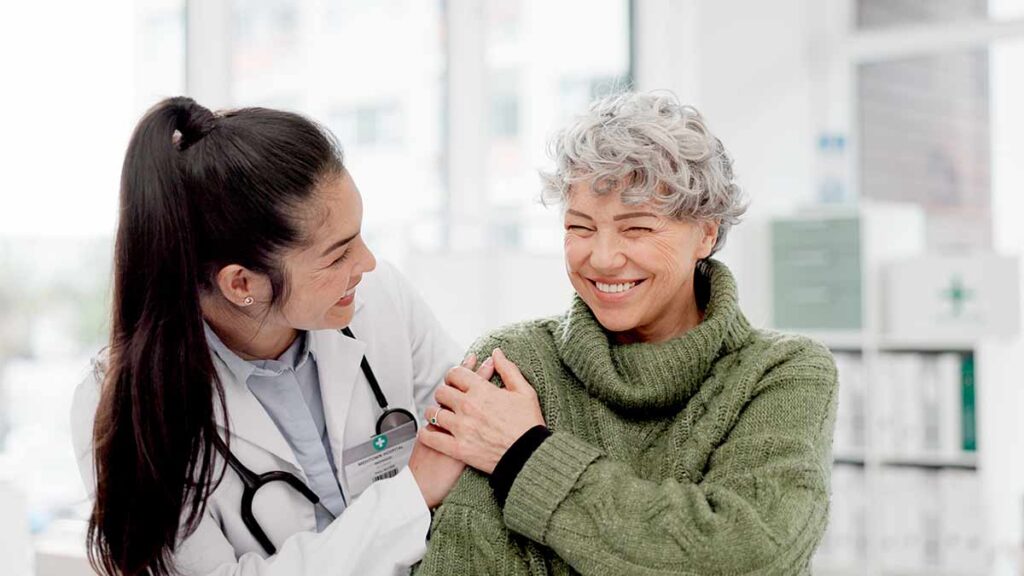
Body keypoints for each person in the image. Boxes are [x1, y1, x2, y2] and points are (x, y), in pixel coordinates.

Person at [415, 92, 839, 575]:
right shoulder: (515, 362)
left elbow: (749, 555)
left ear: (706, 233)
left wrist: (526, 456)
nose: (602, 257)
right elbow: (466, 561)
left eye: (636, 229)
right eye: (580, 227)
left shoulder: (783, 372)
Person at [70, 97, 487, 576]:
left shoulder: (382, 300)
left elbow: (473, 440)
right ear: (242, 284)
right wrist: (409, 498)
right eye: (336, 256)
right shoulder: (124, 403)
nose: (367, 263)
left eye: (360, 235)